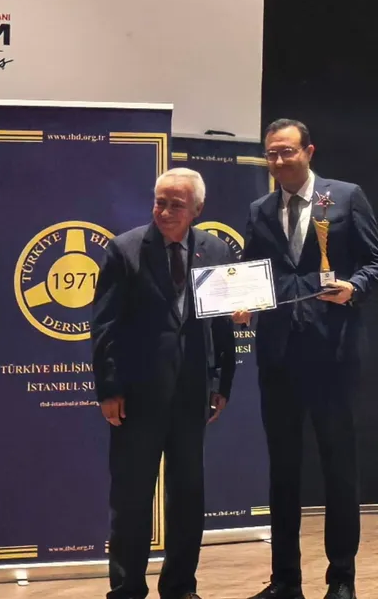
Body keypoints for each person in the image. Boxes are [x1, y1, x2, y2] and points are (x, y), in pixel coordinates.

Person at [235, 119, 378, 599]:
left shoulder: (344, 197)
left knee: (338, 468)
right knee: (282, 471)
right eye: (272, 154)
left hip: (333, 353)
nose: (279, 161)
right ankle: (285, 581)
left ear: (309, 152)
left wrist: (353, 287)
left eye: (287, 152)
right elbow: (251, 272)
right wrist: (240, 302)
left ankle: (341, 579)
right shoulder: (260, 210)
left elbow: (377, 263)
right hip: (278, 356)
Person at [92, 168, 238, 599]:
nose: (166, 211)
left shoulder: (215, 250)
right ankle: (126, 589)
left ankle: (180, 587)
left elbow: (222, 326)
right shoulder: (125, 249)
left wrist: (221, 381)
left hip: (193, 395)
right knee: (132, 498)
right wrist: (109, 389)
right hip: (136, 397)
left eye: (177, 204)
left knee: (188, 496)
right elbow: (105, 327)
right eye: (160, 202)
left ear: (198, 209)